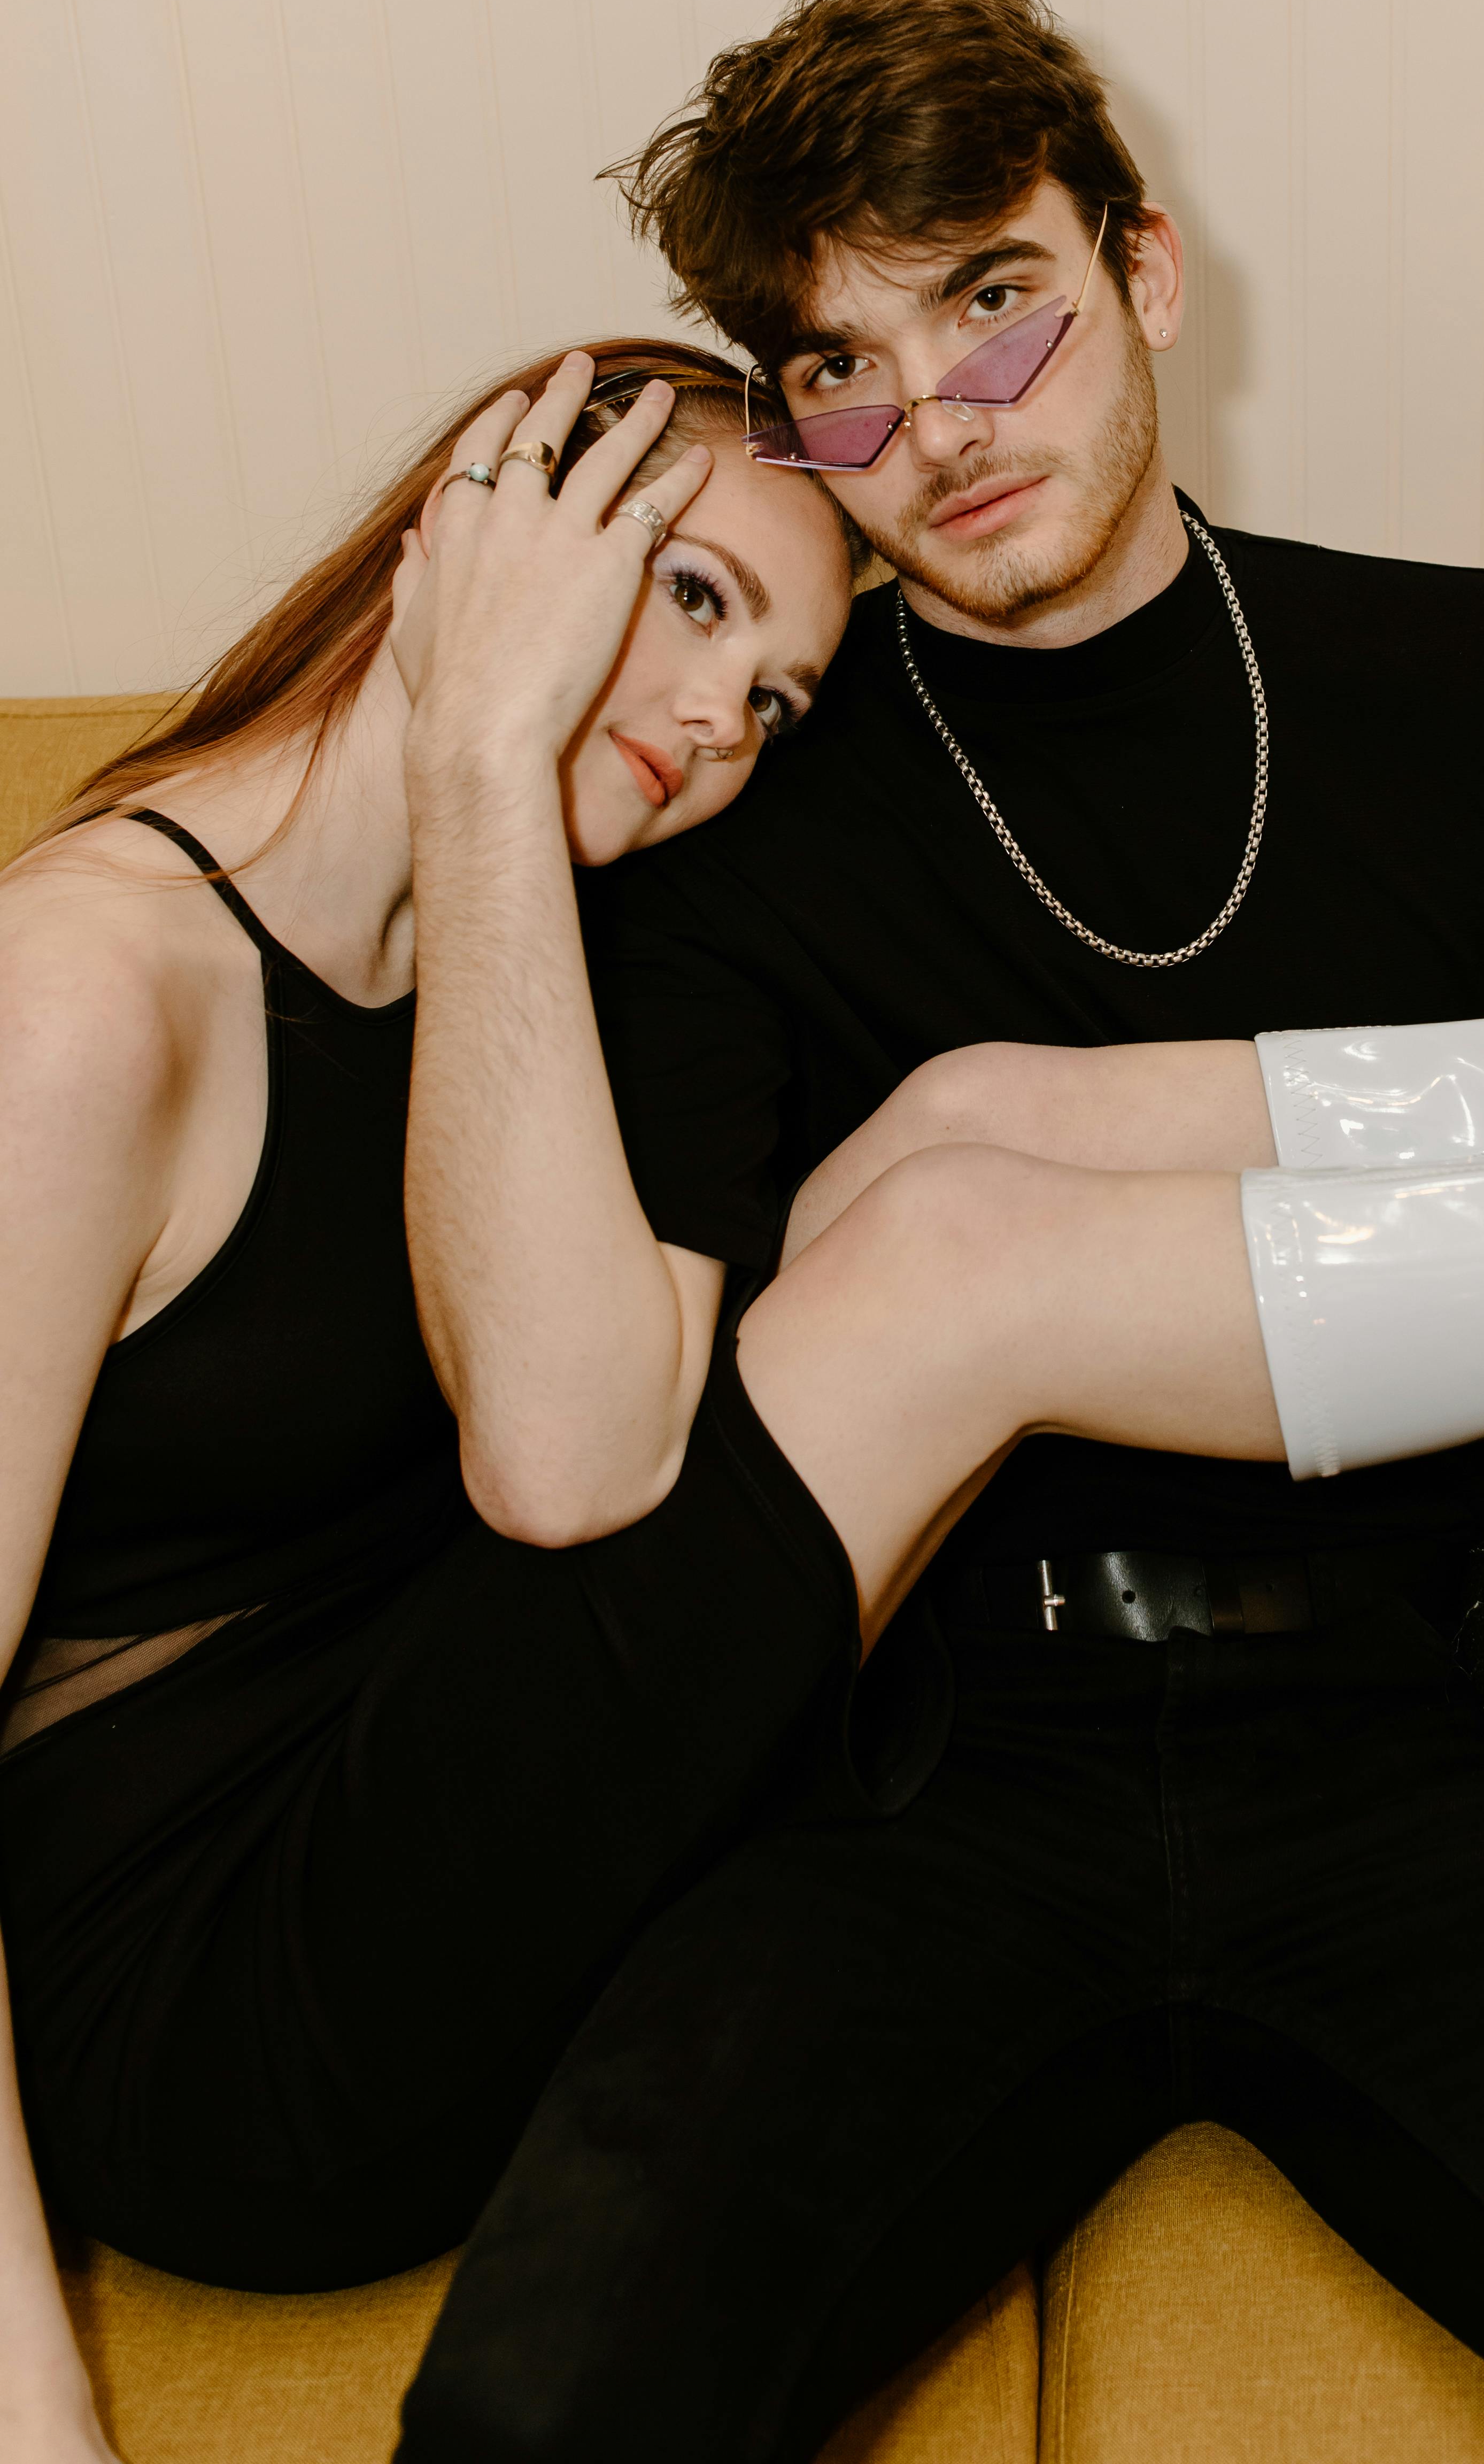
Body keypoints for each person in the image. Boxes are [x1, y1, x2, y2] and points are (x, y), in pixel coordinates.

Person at [396, 0, 1484, 2464]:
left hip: (1439, 1731)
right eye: (839, 368)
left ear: (1144, 271)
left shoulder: (1478, 679)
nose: (936, 425)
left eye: (989, 299)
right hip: (920, 1784)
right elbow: (588, 1432)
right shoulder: (754, 802)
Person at [0, 341, 1310, 2464]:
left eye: (776, 700)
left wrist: (490, 813)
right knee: (949, 1271)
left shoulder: (551, 954)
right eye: (695, 599)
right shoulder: (76, 1004)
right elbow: (571, 1472)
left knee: (970, 1127)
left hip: (459, 1837)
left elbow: (592, 1428)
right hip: (221, 2009)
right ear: (485, 530)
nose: (721, 725)